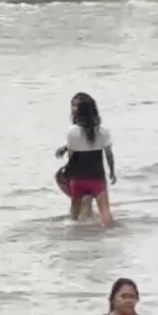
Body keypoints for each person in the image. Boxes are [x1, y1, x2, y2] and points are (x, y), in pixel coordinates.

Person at [55, 92, 116, 227]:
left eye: (75, 106)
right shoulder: (103, 131)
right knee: (106, 215)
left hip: (78, 180)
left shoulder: (72, 131)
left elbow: (72, 156)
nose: (72, 109)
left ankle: (72, 241)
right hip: (97, 179)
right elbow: (109, 154)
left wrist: (66, 176)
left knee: (73, 218)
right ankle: (112, 238)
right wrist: (112, 172)